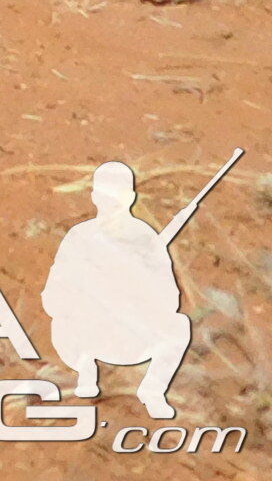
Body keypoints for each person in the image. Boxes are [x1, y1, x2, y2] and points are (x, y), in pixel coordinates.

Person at [44, 162, 192, 419]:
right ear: (94, 197)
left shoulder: (146, 239)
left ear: (131, 199)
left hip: (130, 336)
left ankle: (153, 390)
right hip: (85, 335)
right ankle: (85, 371)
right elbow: (54, 294)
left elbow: (170, 300)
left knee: (179, 326)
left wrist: (139, 285)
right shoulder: (80, 236)